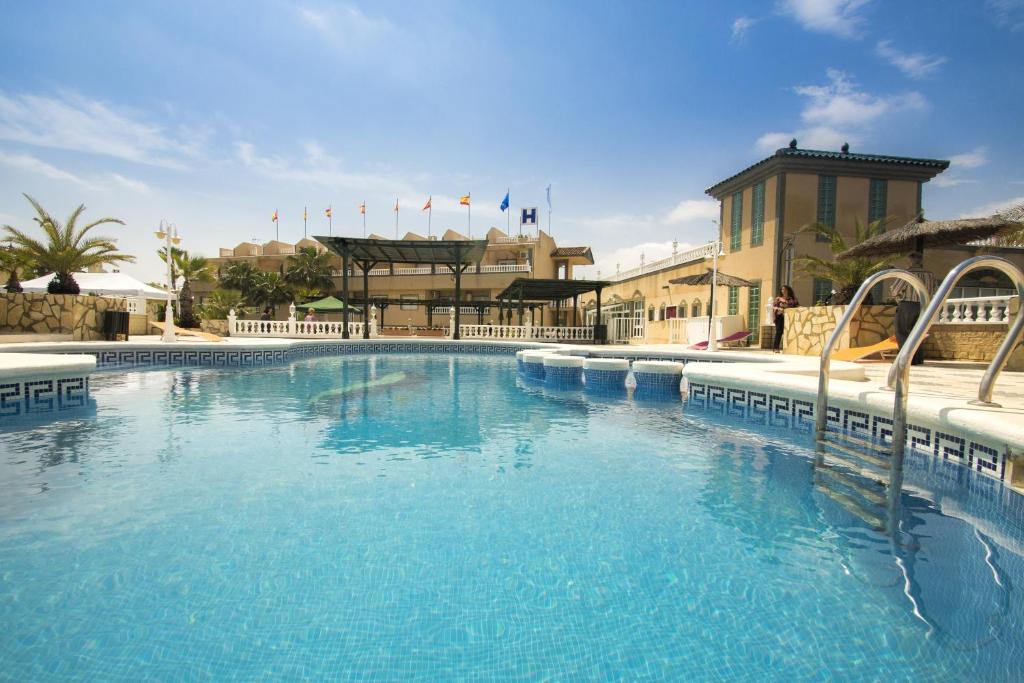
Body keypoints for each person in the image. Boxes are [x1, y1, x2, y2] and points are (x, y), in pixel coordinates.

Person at [890, 251, 935, 365]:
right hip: (924, 306)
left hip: (908, 304)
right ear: (921, 261)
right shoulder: (930, 274)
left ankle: (905, 359)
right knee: (918, 332)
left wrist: (898, 299)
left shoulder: (907, 273)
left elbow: (895, 290)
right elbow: (934, 290)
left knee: (902, 331)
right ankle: (917, 359)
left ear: (909, 261)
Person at [772, 285, 798, 353]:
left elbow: (796, 306)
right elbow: (774, 307)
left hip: (789, 318)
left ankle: (788, 348)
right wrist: (779, 309)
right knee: (779, 332)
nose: (783, 291)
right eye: (782, 289)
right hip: (780, 317)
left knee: (788, 333)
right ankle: (776, 348)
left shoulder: (792, 299)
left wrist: (786, 306)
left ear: (788, 290)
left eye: (785, 289)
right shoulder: (778, 299)